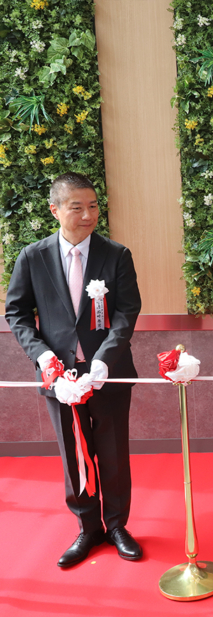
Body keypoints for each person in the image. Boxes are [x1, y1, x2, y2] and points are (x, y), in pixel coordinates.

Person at [5, 172, 143, 567]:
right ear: (55, 210)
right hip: (59, 377)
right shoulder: (32, 257)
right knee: (73, 454)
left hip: (107, 373)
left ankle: (116, 526)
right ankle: (87, 528)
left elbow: (126, 312)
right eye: (77, 207)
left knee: (113, 453)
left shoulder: (116, 254)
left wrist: (103, 361)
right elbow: (17, 313)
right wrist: (43, 357)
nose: (88, 215)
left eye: (93, 206)